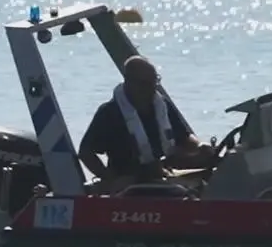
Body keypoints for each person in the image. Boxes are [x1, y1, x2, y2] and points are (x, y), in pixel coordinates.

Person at [77, 55, 215, 192]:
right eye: (146, 84)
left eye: (155, 82)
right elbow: (86, 152)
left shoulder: (162, 106)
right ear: (129, 82)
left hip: (162, 175)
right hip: (130, 185)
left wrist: (200, 146)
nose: (152, 88)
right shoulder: (109, 113)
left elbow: (184, 138)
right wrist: (109, 178)